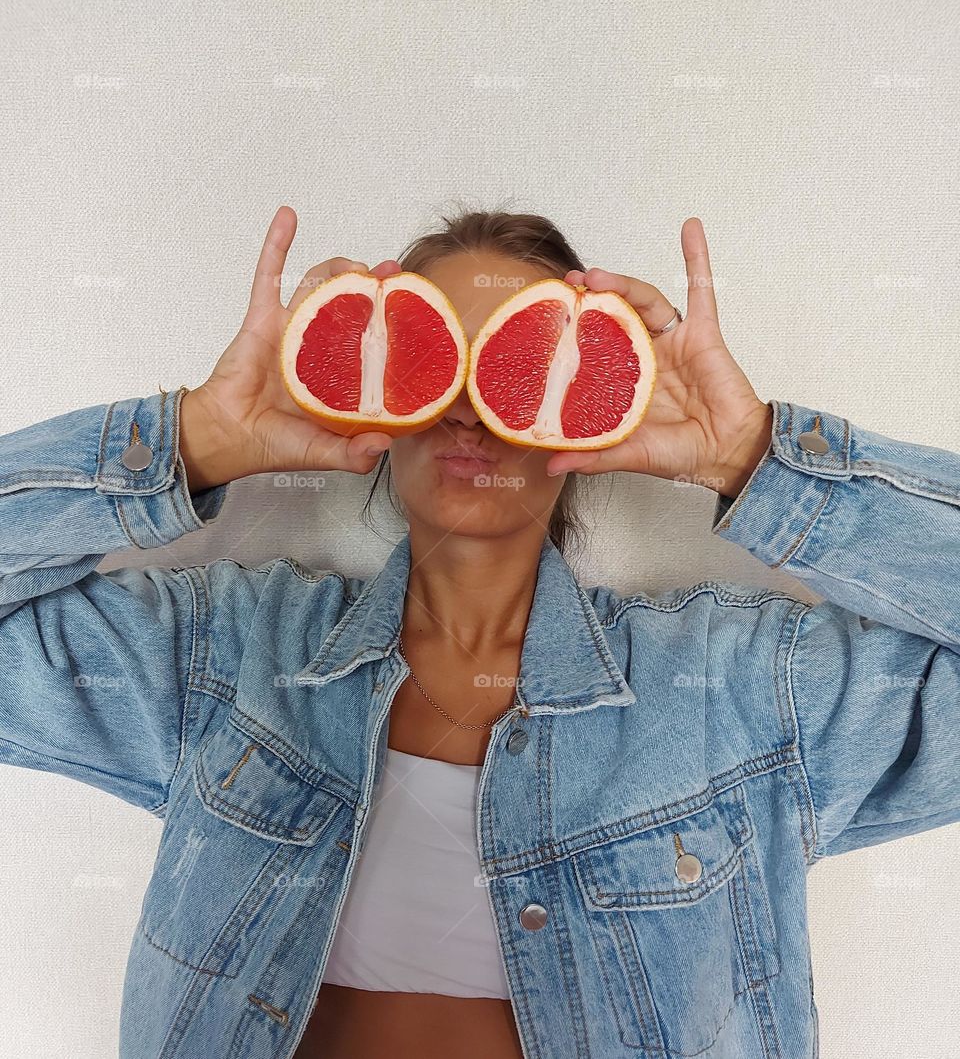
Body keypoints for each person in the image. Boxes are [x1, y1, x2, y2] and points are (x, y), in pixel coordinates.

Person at [1, 205, 957, 1059]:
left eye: (518, 363)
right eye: (428, 357)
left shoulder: (743, 689)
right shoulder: (223, 655)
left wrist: (756, 461)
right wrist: (193, 438)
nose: (464, 404)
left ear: (589, 406)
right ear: (375, 399)